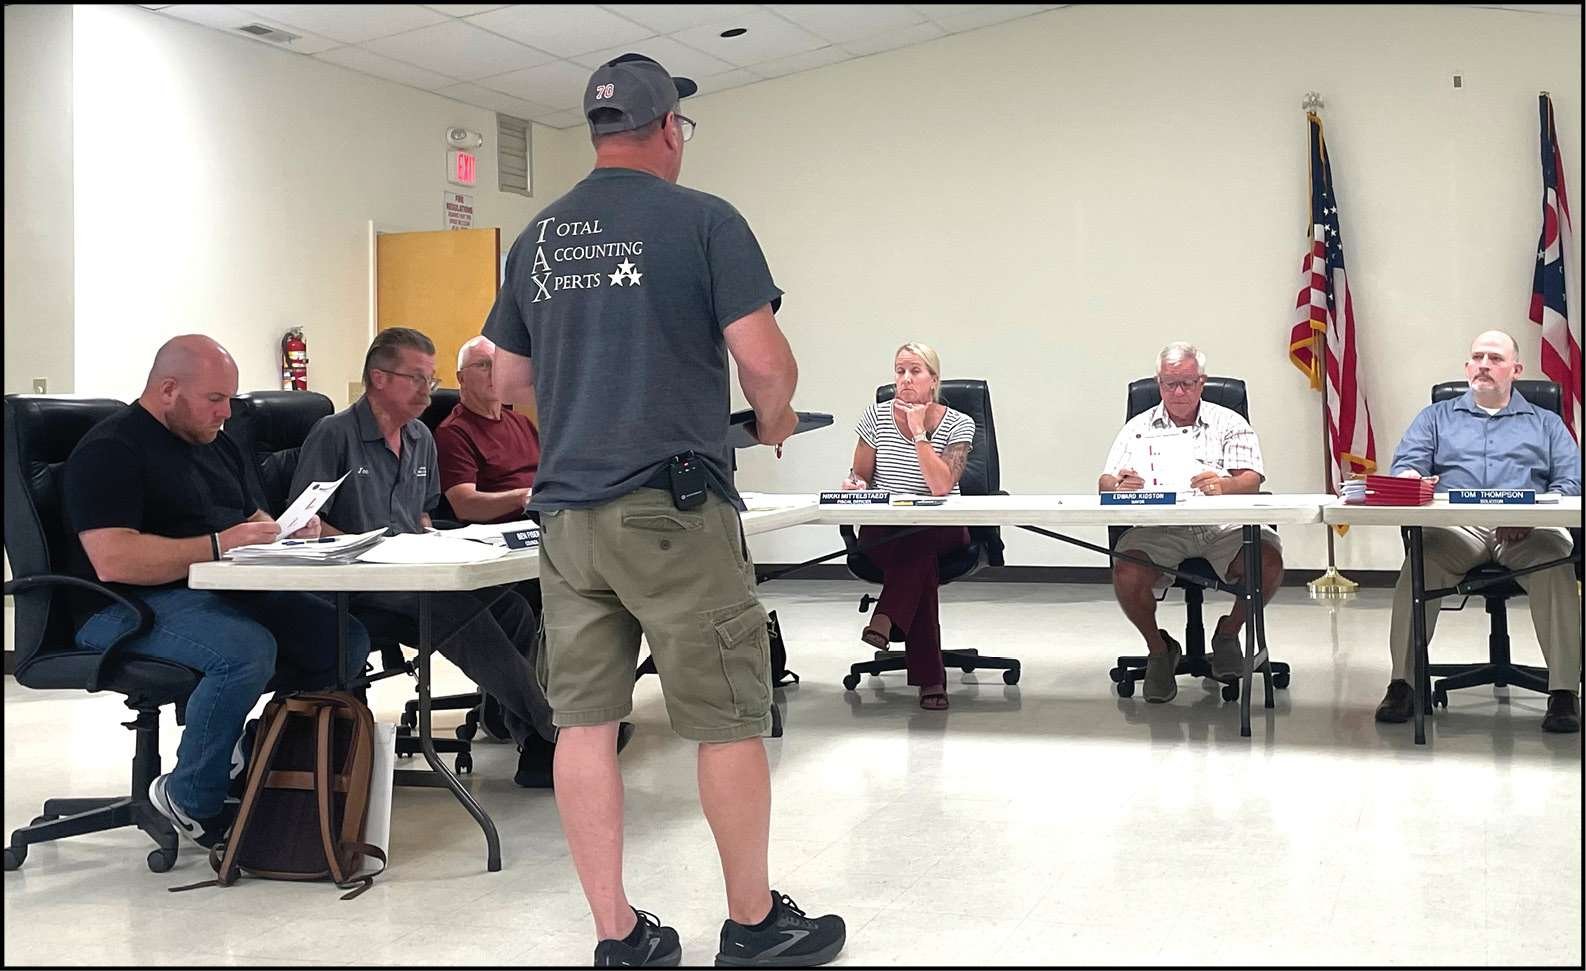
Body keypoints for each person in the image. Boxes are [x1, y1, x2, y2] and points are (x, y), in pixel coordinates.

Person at [483, 52, 845, 969]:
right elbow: (764, 362)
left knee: (584, 723)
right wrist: (773, 419)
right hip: (671, 509)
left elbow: (505, 375)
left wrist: (587, 374)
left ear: (599, 131)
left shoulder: (540, 235)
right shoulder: (704, 220)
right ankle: (754, 923)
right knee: (727, 716)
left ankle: (619, 935)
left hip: (567, 517)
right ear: (670, 130)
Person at [65, 335, 371, 847]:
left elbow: (250, 518)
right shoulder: (111, 450)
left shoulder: (217, 443)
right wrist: (217, 544)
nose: (226, 412)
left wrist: (287, 530)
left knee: (342, 637)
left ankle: (257, 755)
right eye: (214, 399)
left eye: (228, 398)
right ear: (168, 390)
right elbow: (114, 559)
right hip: (120, 605)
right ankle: (191, 798)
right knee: (244, 651)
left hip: (214, 590)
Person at [288, 327, 573, 788]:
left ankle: (532, 744)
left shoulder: (420, 436)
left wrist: (432, 538)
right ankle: (554, 731)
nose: (428, 390)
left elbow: (422, 513)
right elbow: (307, 524)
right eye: (417, 378)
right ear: (379, 378)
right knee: (454, 610)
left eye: (430, 378)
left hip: (413, 570)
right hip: (358, 581)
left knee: (512, 608)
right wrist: (364, 543)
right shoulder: (334, 434)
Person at [1373, 330, 1581, 733]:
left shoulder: (1547, 423)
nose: (1484, 365)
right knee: (1419, 566)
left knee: (1555, 565)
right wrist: (1411, 477)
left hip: (1527, 528)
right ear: (1467, 366)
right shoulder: (1435, 417)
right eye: (1477, 357)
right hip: (1457, 528)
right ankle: (1403, 685)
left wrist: (1532, 515)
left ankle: (1562, 692)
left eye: (1495, 358)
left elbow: (1570, 483)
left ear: (1516, 370)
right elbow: (1406, 466)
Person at [1098, 341, 1285, 703]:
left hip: (1222, 526)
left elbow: (1251, 479)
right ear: (1159, 383)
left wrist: (1224, 485)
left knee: (1268, 561)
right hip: (1160, 528)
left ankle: (1228, 633)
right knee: (1127, 571)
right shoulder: (1139, 427)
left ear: (1202, 382)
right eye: (1170, 384)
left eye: (1187, 383)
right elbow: (1105, 481)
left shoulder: (1229, 422)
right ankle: (1159, 650)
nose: (1178, 392)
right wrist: (1118, 485)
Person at [840, 342, 976, 710]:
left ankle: (886, 617)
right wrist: (855, 484)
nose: (905, 379)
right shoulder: (875, 417)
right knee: (919, 561)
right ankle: (930, 679)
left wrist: (919, 433)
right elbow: (861, 475)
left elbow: (941, 486)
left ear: (934, 380)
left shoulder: (959, 423)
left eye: (915, 371)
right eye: (900, 371)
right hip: (886, 528)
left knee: (919, 542)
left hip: (942, 527)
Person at [435, 335, 542, 529]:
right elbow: (465, 506)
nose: (494, 373)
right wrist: (523, 497)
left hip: (542, 521)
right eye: (483, 365)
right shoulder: (453, 432)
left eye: (499, 365)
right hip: (500, 531)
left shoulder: (522, 422)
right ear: (461, 378)